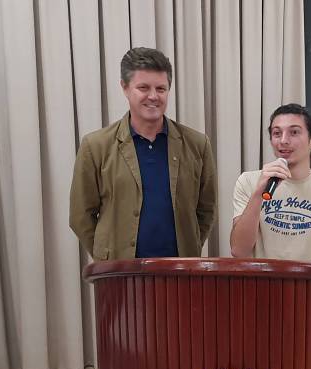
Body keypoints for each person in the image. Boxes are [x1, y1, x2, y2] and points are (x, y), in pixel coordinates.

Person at [70, 47, 216, 261]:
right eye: (143, 88)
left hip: (181, 271)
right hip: (119, 273)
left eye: (161, 89)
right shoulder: (96, 146)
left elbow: (207, 209)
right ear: (125, 87)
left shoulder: (197, 145)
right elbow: (80, 215)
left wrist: (189, 246)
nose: (153, 96)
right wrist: (107, 256)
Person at [230, 104, 311, 264]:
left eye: (294, 132)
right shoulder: (248, 181)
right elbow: (239, 251)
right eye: (277, 133)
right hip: (260, 279)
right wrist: (258, 194)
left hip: (309, 280)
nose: (283, 140)